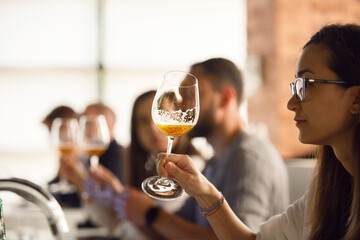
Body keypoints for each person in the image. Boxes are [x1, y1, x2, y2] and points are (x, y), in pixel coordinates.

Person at [157, 24, 360, 240]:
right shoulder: (329, 187)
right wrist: (204, 191)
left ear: (356, 100)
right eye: (295, 87)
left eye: (306, 85)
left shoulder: (247, 156)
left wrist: (149, 214)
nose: (291, 103)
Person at [91, 58, 289, 239]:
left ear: (225, 98)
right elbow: (174, 229)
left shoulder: (247, 157)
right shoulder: (216, 160)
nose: (182, 106)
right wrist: (127, 202)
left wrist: (150, 214)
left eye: (194, 95)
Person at [42, 105, 81, 208]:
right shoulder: (66, 157)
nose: (52, 137)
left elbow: (73, 200)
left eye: (54, 132)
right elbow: (56, 186)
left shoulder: (87, 159)